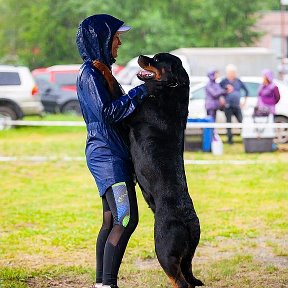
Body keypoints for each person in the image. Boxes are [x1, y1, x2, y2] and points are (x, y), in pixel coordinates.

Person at [76, 14, 165, 288]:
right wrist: (142, 90)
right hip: (107, 156)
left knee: (111, 220)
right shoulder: (91, 74)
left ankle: (102, 284)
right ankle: (108, 284)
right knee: (125, 218)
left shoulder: (101, 71)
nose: (119, 43)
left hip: (111, 152)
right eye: (116, 37)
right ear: (102, 39)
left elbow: (119, 109)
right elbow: (109, 113)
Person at [220, 64, 249, 144]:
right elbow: (218, 91)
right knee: (228, 123)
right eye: (231, 72)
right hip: (227, 106)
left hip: (237, 106)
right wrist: (221, 99)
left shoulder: (238, 81)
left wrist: (244, 102)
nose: (232, 74)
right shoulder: (223, 81)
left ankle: (245, 138)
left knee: (241, 121)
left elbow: (246, 91)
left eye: (233, 72)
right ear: (227, 73)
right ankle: (230, 140)